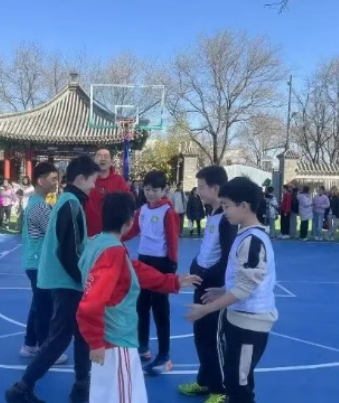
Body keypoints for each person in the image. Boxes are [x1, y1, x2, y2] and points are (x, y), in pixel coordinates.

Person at [76, 192, 202, 403]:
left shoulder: (100, 242)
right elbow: (91, 302)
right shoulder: (112, 251)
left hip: (110, 337)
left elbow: (133, 270)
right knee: (124, 394)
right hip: (115, 338)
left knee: (107, 393)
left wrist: (172, 281)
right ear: (129, 222)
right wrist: (95, 341)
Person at [5, 155, 100, 403]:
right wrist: (84, 279)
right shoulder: (70, 204)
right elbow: (68, 251)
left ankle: (81, 385)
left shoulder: (67, 202)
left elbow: (72, 243)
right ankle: (21, 388)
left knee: (80, 334)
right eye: (93, 180)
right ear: (81, 179)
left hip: (65, 280)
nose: (94, 186)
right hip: (66, 282)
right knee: (59, 338)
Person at [186, 176, 278, 403]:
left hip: (250, 324)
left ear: (244, 206)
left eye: (227, 206)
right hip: (239, 320)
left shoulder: (253, 241)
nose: (224, 211)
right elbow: (240, 281)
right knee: (234, 375)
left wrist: (206, 309)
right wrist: (223, 290)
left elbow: (245, 289)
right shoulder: (244, 235)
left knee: (239, 384)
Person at [178, 166, 237, 403]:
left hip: (214, 289)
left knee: (213, 339)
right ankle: (205, 381)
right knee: (201, 335)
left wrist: (209, 277)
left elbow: (227, 258)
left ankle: (220, 389)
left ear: (216, 188)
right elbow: (207, 249)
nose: (198, 191)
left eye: (202, 187)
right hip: (202, 284)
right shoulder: (212, 213)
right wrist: (195, 268)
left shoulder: (227, 219)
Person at [122, 170, 179, 374]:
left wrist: (172, 266)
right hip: (143, 261)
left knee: (160, 310)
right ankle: (143, 347)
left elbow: (172, 240)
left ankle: (164, 356)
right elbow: (133, 230)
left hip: (161, 263)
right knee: (142, 306)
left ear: (164, 190)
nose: (150, 193)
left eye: (155, 189)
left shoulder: (168, 212)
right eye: (147, 189)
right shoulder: (143, 210)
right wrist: (114, 236)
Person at [19, 162, 68, 364]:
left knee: (38, 304)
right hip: (39, 262)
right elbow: (56, 232)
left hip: (35, 261)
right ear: (40, 181)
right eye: (53, 179)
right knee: (45, 307)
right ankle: (45, 348)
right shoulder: (39, 206)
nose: (57, 182)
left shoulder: (36, 202)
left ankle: (30, 344)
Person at [84, 148, 128, 237]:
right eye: (99, 156)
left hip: (113, 234)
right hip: (89, 234)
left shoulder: (119, 180)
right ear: (94, 160)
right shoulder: (86, 179)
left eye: (106, 156)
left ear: (111, 161)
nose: (102, 159)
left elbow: (127, 203)